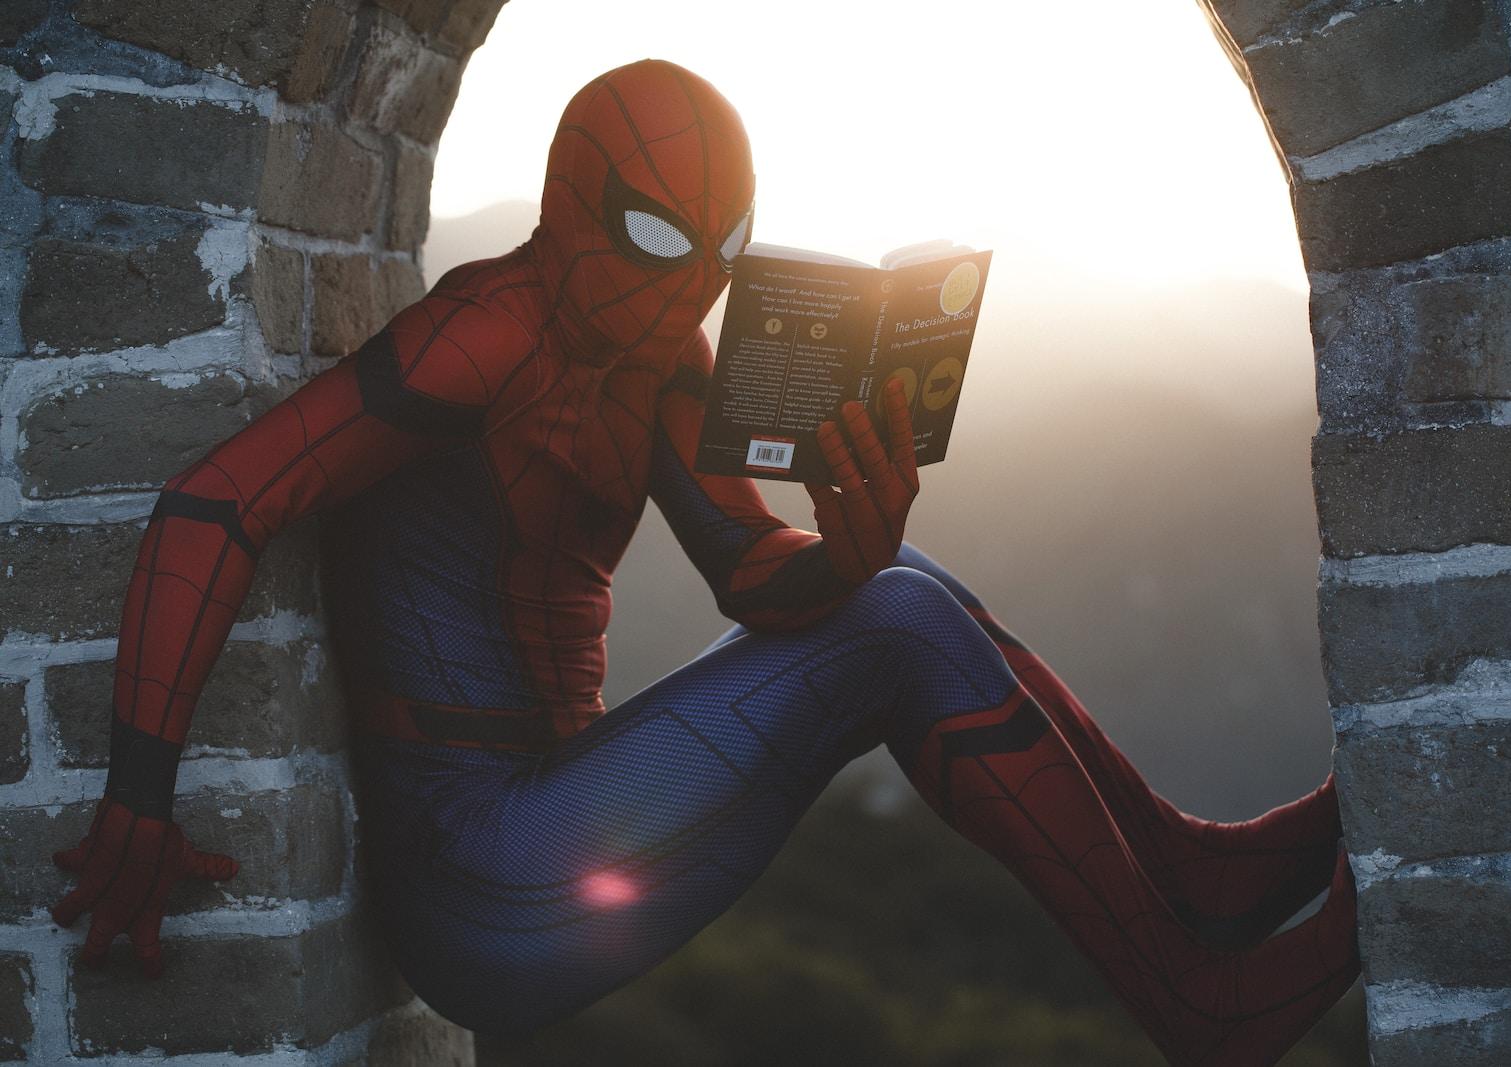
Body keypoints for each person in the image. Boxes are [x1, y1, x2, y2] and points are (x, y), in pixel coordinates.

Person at [48, 59, 1358, 1066]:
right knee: (897, 619)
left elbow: (751, 573)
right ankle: (1195, 1004)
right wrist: (139, 795)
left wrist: (849, 540)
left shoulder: (662, 356)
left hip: (568, 816)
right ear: (573, 207)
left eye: (725, 251)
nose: (694, 287)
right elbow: (220, 500)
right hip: (478, 875)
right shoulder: (483, 337)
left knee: (910, 590)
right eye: (662, 242)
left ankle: (1194, 874)